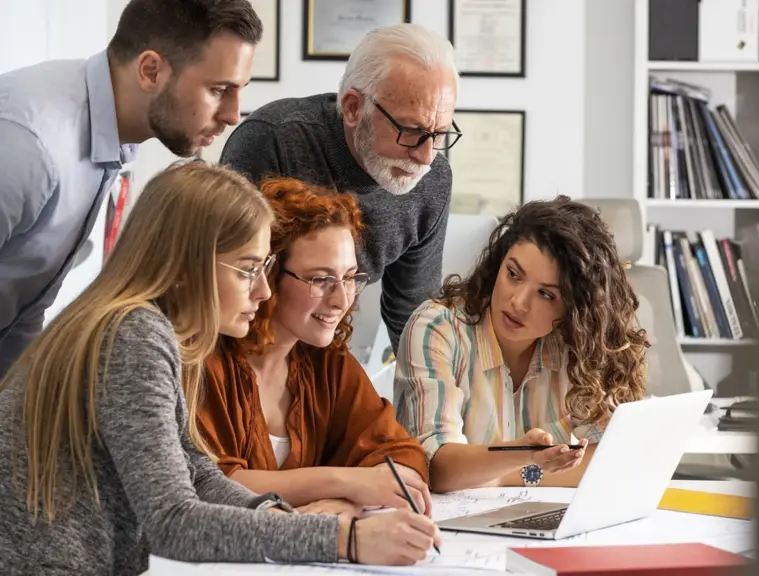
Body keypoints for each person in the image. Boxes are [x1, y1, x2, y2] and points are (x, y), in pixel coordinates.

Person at [0, 162, 442, 575]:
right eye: (249, 270)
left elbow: (199, 473)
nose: (263, 290)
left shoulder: (153, 332)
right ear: (185, 268)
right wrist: (348, 539)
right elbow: (173, 522)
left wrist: (277, 516)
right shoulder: (134, 336)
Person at [0, 0, 263, 377]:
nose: (233, 114)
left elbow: (24, 304)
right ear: (151, 70)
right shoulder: (32, 147)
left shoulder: (113, 132)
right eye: (219, 89)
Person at [197, 177, 433, 518]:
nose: (342, 299)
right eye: (320, 279)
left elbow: (403, 457)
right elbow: (214, 485)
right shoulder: (207, 362)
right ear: (268, 274)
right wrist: (347, 483)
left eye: (350, 277)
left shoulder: (326, 362)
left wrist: (345, 502)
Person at [219, 23, 460, 354]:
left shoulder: (432, 179)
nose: (425, 157)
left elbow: (412, 313)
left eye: (440, 134)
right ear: (352, 108)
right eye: (411, 130)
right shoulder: (273, 140)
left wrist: (433, 394)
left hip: (326, 345)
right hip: (244, 341)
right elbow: (224, 282)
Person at [393, 196, 650, 494]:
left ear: (574, 309)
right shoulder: (438, 328)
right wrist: (527, 457)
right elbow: (437, 468)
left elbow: (613, 460)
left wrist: (502, 474)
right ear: (498, 264)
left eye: (546, 294)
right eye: (513, 275)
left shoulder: (578, 346)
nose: (518, 302)